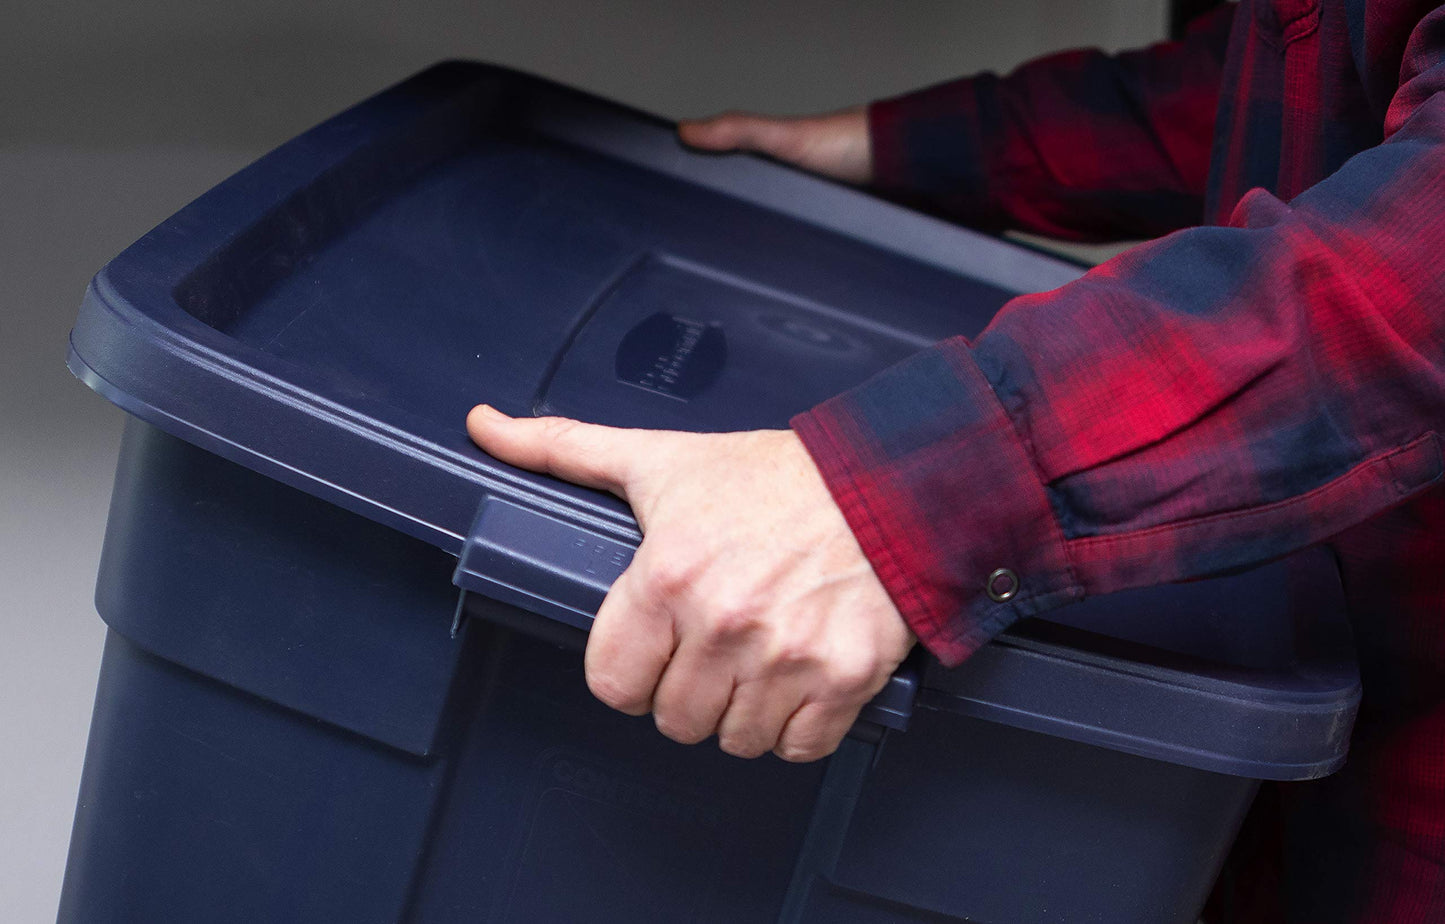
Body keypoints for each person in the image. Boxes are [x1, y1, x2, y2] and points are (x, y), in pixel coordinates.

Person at [467, 1, 1445, 920]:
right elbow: (1302, 70)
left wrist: (893, 498)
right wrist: (919, 149)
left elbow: (1409, 270)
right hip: (1297, 658)